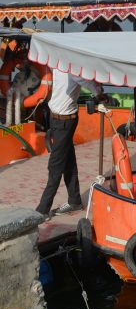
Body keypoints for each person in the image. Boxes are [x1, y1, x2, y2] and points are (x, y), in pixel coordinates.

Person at [36, 68, 109, 217]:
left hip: (65, 122)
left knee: (55, 165)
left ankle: (42, 211)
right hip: (56, 119)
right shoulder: (58, 62)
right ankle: (74, 200)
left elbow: (85, 81)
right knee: (67, 160)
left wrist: (99, 93)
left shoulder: (72, 69)